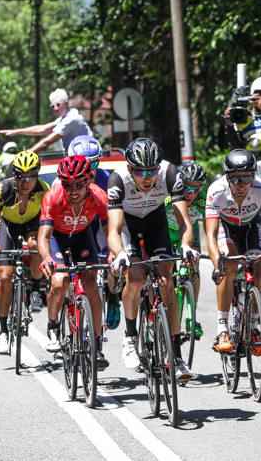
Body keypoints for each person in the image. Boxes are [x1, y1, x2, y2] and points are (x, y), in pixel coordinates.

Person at [107, 138, 195, 382]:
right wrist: (121, 254)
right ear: (129, 169)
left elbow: (184, 222)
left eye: (151, 170)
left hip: (156, 220)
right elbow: (114, 230)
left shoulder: (170, 174)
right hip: (129, 224)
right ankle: (130, 336)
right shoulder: (117, 180)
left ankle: (176, 357)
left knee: (167, 282)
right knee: (134, 279)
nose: (147, 177)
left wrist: (186, 245)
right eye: (140, 172)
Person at [206, 149, 261, 353]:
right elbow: (210, 234)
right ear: (227, 177)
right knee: (230, 265)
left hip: (250, 227)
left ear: (254, 176)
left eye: (247, 178)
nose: (242, 184)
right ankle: (222, 329)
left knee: (258, 266)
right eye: (235, 179)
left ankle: (253, 326)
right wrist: (217, 264)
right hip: (224, 228)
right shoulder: (216, 191)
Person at [38, 155, 111, 369]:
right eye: (68, 185)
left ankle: (96, 344)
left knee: (91, 283)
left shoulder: (99, 197)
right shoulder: (52, 197)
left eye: (79, 184)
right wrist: (46, 258)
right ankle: (53, 326)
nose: (73, 190)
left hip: (82, 236)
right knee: (60, 281)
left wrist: (112, 254)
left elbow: (109, 232)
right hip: (56, 238)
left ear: (88, 180)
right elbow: (43, 236)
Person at [0, 150, 49, 353]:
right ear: (14, 175)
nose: (25, 182)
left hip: (31, 224)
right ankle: (3, 331)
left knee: (35, 246)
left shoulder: (44, 189)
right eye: (20, 176)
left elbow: (50, 220)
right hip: (8, 226)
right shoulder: (3, 189)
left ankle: (37, 290)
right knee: (5, 277)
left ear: (37, 176)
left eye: (30, 177)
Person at [68, 135, 120, 330]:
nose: (89, 170)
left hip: (101, 223)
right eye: (83, 164)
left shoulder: (108, 179)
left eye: (94, 163)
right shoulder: (64, 182)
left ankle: (113, 296)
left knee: (112, 257)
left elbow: (114, 220)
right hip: (77, 225)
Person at [164, 161, 207, 339]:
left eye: (195, 189)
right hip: (166, 233)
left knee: (193, 265)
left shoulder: (203, 199)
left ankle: (192, 316)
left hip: (189, 234)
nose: (190, 194)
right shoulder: (168, 197)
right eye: (186, 188)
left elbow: (214, 222)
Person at [0, 88, 94, 154]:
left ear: (66, 103)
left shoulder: (72, 119)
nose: (56, 108)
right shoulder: (64, 118)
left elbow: (47, 142)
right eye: (53, 106)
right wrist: (16, 132)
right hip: (78, 158)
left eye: (58, 104)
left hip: (87, 158)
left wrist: (26, 155)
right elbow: (41, 129)